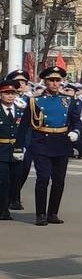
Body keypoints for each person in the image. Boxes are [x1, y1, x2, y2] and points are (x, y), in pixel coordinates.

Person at [25, 64, 79, 225]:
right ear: (45, 82)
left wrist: (76, 131)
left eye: (58, 80)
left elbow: (76, 121)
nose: (55, 83)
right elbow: (25, 126)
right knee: (43, 178)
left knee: (59, 180)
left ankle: (52, 213)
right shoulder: (36, 101)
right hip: (42, 142)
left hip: (61, 142)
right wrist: (20, 146)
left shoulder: (68, 100)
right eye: (51, 80)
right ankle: (40, 214)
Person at [0, 81, 21, 220]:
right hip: (1, 150)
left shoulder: (21, 110)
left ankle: (7, 205)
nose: (10, 96)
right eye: (6, 93)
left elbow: (27, 130)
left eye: (13, 93)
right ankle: (3, 210)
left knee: (15, 181)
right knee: (3, 180)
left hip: (17, 151)